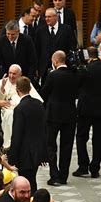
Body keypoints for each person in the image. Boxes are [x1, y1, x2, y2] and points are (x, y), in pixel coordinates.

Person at [41, 51, 80, 186]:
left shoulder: (53, 75)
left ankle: (54, 175)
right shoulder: (74, 74)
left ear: (55, 61)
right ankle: (63, 176)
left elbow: (44, 93)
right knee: (67, 146)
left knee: (51, 145)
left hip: (53, 114)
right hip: (70, 114)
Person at [73, 47, 101, 178]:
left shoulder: (85, 68)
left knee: (81, 137)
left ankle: (83, 166)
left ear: (87, 56)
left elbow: (77, 85)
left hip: (86, 108)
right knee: (99, 139)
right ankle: (95, 168)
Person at [0, 65, 43, 149]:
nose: (11, 76)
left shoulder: (25, 82)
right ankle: (10, 143)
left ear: (20, 75)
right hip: (8, 108)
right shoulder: (1, 82)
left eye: (14, 74)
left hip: (24, 108)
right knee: (11, 114)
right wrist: (2, 88)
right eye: (10, 73)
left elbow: (37, 99)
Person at [35, 8, 76, 86]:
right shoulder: (40, 31)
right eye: (46, 17)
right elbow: (37, 50)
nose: (47, 19)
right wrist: (37, 68)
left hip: (62, 68)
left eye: (49, 17)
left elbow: (71, 46)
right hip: (44, 69)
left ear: (56, 17)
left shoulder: (66, 29)